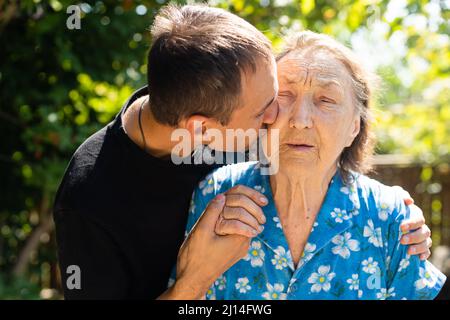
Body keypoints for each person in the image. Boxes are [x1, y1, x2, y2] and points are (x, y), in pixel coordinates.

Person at [53, 5, 432, 300]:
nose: (283, 118)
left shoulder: (213, 100)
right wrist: (195, 279)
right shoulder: (88, 202)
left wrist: (393, 214)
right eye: (272, 103)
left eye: (274, 95)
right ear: (202, 130)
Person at [174, 31, 445, 300]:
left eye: (326, 100)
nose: (300, 119)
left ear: (354, 127)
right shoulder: (217, 193)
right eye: (285, 95)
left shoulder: (389, 215)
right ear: (262, 110)